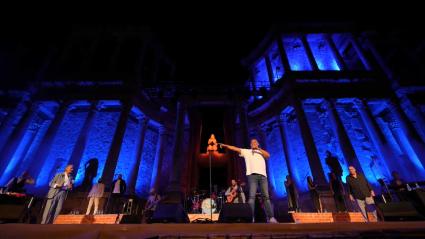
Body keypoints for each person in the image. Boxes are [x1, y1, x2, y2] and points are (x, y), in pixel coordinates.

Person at [219, 139, 278, 223]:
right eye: (252, 142)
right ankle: (251, 217)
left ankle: (271, 217)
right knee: (251, 197)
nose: (253, 143)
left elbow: (268, 155)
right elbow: (234, 148)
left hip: (263, 176)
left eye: (255, 142)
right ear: (250, 145)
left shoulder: (261, 152)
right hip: (252, 176)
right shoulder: (247, 151)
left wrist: (259, 149)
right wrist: (225, 145)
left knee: (266, 197)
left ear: (258, 144)